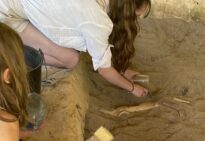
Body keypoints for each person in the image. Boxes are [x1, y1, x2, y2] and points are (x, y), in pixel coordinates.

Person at [0, 0, 150, 97]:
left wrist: (122, 70)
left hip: (24, 5)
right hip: (6, 14)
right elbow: (104, 69)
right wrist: (132, 88)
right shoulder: (97, 21)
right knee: (70, 59)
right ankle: (9, 48)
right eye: (133, 17)